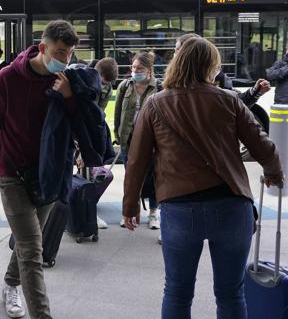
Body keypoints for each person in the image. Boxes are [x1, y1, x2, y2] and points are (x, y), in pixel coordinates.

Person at [122, 37, 283, 319]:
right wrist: (272, 173)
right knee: (231, 293)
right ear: (211, 66)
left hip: (179, 208)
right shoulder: (229, 100)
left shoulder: (155, 104)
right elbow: (264, 146)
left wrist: (130, 205)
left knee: (177, 292)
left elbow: (136, 161)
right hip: (232, 205)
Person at [0, 20, 79, 319]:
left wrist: (69, 96)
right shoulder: (9, 78)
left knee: (30, 241)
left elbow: (83, 122)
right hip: (12, 173)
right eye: (60, 52)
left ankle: (10, 284)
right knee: (31, 247)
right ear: (42, 48)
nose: (65, 60)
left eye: (70, 54)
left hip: (49, 174)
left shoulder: (66, 80)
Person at [114, 52, 161, 230]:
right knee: (131, 178)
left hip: (152, 141)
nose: (135, 71)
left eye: (139, 68)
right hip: (129, 140)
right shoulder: (125, 86)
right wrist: (118, 136)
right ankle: (131, 213)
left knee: (155, 178)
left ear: (149, 70)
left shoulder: (160, 88)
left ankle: (153, 213)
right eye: (133, 68)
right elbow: (118, 113)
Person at [176, 33, 271, 106]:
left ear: (187, 54)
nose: (175, 54)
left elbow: (236, 102)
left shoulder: (217, 77)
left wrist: (254, 92)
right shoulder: (172, 83)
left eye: (177, 50)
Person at [92, 57, 119, 229]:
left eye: (108, 82)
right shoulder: (81, 77)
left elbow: (99, 110)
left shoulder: (107, 87)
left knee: (94, 171)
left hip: (93, 128)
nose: (105, 85)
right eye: (104, 80)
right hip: (76, 129)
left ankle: (88, 205)